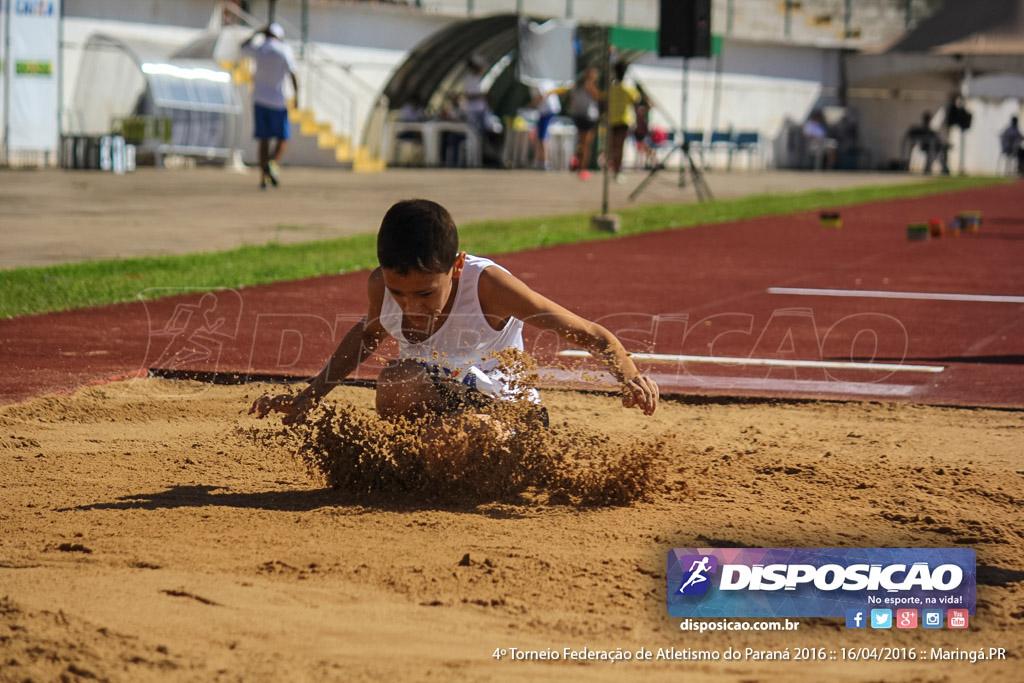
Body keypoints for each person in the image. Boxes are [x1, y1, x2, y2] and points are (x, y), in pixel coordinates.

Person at [250, 199, 659, 434]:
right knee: (395, 383)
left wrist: (629, 376)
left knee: (468, 431)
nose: (410, 304)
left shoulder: (489, 287)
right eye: (399, 292)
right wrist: (308, 397)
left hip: (510, 413)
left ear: (456, 267)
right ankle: (439, 451)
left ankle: (488, 450)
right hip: (443, 407)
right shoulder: (380, 286)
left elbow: (588, 333)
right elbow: (365, 336)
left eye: (426, 292)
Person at [240, 23, 299, 189]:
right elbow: (293, 73)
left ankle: (264, 176)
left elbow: (243, 46)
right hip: (278, 101)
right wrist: (297, 95)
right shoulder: (284, 50)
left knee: (263, 139)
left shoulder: (260, 48)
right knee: (283, 138)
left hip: (259, 99)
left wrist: (256, 32)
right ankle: (272, 164)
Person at [607, 62, 638, 183]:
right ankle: (617, 170)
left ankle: (615, 168)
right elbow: (637, 99)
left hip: (613, 119)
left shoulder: (612, 87)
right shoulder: (628, 87)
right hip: (624, 120)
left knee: (614, 146)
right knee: (619, 147)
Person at [569, 67, 601, 180]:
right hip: (586, 116)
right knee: (585, 143)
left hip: (583, 116)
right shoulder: (583, 86)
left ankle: (581, 165)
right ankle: (582, 167)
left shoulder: (579, 86)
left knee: (584, 143)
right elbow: (597, 96)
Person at [903, 111, 948, 175]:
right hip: (923, 148)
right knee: (914, 147)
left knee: (937, 149)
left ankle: (937, 168)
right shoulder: (920, 130)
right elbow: (909, 137)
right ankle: (908, 165)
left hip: (931, 150)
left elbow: (938, 141)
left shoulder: (931, 131)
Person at [530, 80, 562, 171]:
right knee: (540, 135)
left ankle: (545, 161)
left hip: (547, 111)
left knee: (543, 136)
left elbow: (542, 96)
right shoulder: (545, 81)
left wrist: (530, 105)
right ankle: (539, 159)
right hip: (544, 111)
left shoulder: (540, 82)